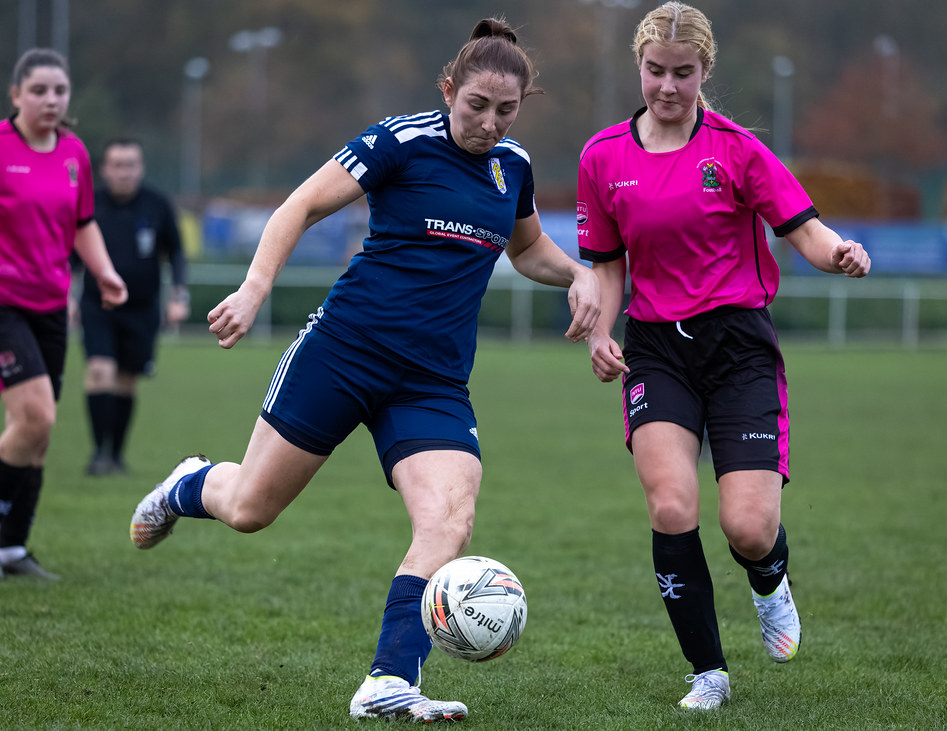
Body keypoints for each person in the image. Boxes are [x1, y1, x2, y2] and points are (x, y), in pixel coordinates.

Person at [129, 18, 599, 723]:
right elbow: (302, 204)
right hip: (345, 351)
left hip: (433, 381)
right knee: (252, 508)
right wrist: (255, 289)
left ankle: (389, 679)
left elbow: (527, 250)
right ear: (449, 89)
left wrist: (577, 274)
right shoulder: (399, 140)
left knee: (449, 516)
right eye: (476, 105)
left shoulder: (515, 166)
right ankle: (190, 482)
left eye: (507, 110)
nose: (489, 123)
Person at [577, 3, 870, 711]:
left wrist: (839, 254)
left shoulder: (737, 149)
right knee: (672, 503)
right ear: (638, 67)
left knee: (747, 526)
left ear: (706, 71)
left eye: (683, 72)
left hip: (737, 347)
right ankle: (708, 670)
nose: (668, 86)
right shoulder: (602, 156)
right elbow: (605, 265)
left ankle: (769, 580)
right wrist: (599, 330)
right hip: (655, 348)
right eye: (656, 71)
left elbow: (803, 229)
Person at [0, 49, 128, 580]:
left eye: (59, 91)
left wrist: (104, 272)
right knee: (37, 417)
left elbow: (83, 223)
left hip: (52, 305)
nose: (50, 100)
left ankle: (11, 549)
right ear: (16, 95)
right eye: (38, 90)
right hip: (4, 302)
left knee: (36, 435)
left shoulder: (74, 152)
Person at [76, 138, 189, 476]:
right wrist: (67, 296)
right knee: (100, 371)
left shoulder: (157, 205)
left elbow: (177, 253)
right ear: (105, 169)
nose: (125, 172)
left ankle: (116, 455)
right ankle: (98, 454)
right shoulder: (89, 205)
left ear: (140, 168)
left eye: (131, 165)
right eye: (118, 165)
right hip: (98, 305)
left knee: (126, 380)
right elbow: (69, 254)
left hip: (142, 308)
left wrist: (178, 297)